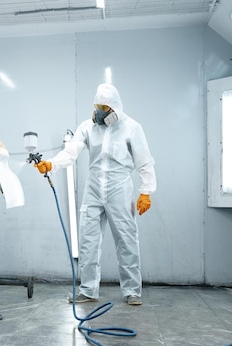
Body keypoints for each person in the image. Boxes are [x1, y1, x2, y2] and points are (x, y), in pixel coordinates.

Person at [35, 83, 156, 306]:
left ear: (114, 109)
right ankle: (88, 290)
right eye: (97, 106)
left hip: (119, 188)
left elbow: (144, 162)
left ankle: (132, 291)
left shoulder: (132, 127)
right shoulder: (87, 127)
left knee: (127, 240)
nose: (99, 112)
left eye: (104, 107)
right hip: (93, 188)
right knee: (88, 241)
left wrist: (145, 191)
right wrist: (51, 164)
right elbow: (70, 152)